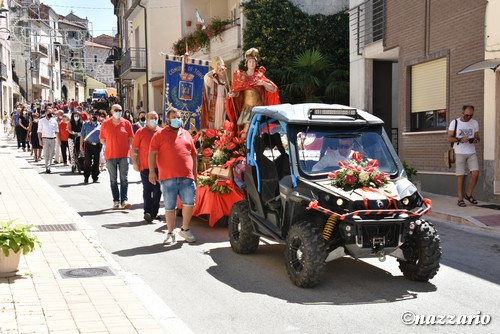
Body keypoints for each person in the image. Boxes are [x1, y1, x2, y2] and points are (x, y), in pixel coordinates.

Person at [148, 108, 198, 244]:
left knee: (189, 204)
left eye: (178, 116)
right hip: (168, 177)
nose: (177, 119)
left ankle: (185, 229)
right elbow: (152, 153)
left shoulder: (187, 134)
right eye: (174, 117)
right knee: (170, 207)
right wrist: (152, 172)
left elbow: (193, 154)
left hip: (187, 177)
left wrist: (195, 173)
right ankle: (170, 233)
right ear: (168, 120)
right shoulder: (160, 134)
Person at [226, 48, 280, 137]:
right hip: (246, 108)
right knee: (245, 132)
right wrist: (233, 94)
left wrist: (263, 83)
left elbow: (273, 89)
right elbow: (237, 91)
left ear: (256, 64)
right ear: (246, 64)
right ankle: (243, 148)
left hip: (259, 108)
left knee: (257, 131)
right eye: (250, 62)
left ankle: (252, 148)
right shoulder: (241, 77)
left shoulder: (259, 76)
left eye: (253, 62)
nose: (252, 64)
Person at [99, 104, 134, 209]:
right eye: (116, 110)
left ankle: (124, 200)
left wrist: (126, 147)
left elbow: (131, 138)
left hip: (124, 155)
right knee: (113, 179)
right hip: (110, 155)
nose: (118, 111)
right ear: (111, 111)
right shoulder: (105, 123)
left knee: (124, 179)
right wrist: (110, 145)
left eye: (120, 110)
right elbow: (102, 139)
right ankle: (116, 201)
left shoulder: (126, 123)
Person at [448, 105, 480, 207]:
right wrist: (460, 139)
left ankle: (468, 194)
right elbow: (449, 138)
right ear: (462, 113)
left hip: (471, 151)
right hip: (459, 152)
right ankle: (460, 199)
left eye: (471, 116)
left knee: (475, 173)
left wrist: (475, 140)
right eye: (466, 115)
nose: (468, 118)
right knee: (460, 176)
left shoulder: (474, 123)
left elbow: (478, 137)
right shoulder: (455, 123)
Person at [132, 111, 161, 223]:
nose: (153, 119)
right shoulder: (140, 132)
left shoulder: (161, 132)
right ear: (147, 119)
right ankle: (147, 212)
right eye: (151, 117)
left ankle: (154, 212)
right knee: (147, 190)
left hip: (159, 166)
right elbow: (134, 149)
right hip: (145, 166)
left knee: (158, 191)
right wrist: (135, 162)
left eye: (155, 117)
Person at [201, 57, 228, 130]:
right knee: (214, 119)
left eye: (223, 70)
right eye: (220, 70)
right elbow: (206, 78)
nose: (222, 71)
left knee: (221, 120)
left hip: (223, 103)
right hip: (215, 102)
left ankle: (220, 134)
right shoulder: (213, 80)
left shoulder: (224, 82)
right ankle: (213, 135)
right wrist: (214, 70)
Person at [80, 111, 102, 183]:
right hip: (88, 145)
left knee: (96, 162)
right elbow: (82, 135)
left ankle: (95, 177)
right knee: (87, 162)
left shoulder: (100, 125)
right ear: (89, 116)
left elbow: (103, 136)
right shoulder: (85, 125)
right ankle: (86, 177)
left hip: (97, 145)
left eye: (96, 115)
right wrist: (81, 145)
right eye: (92, 115)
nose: (94, 116)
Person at [37, 108, 59, 173]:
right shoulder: (41, 121)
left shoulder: (54, 121)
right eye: (49, 112)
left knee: (52, 153)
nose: (50, 113)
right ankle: (48, 167)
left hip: (53, 138)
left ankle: (49, 165)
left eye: (51, 112)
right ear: (46, 112)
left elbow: (57, 131)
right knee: (46, 153)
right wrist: (39, 140)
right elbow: (39, 131)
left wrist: (58, 139)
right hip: (45, 138)